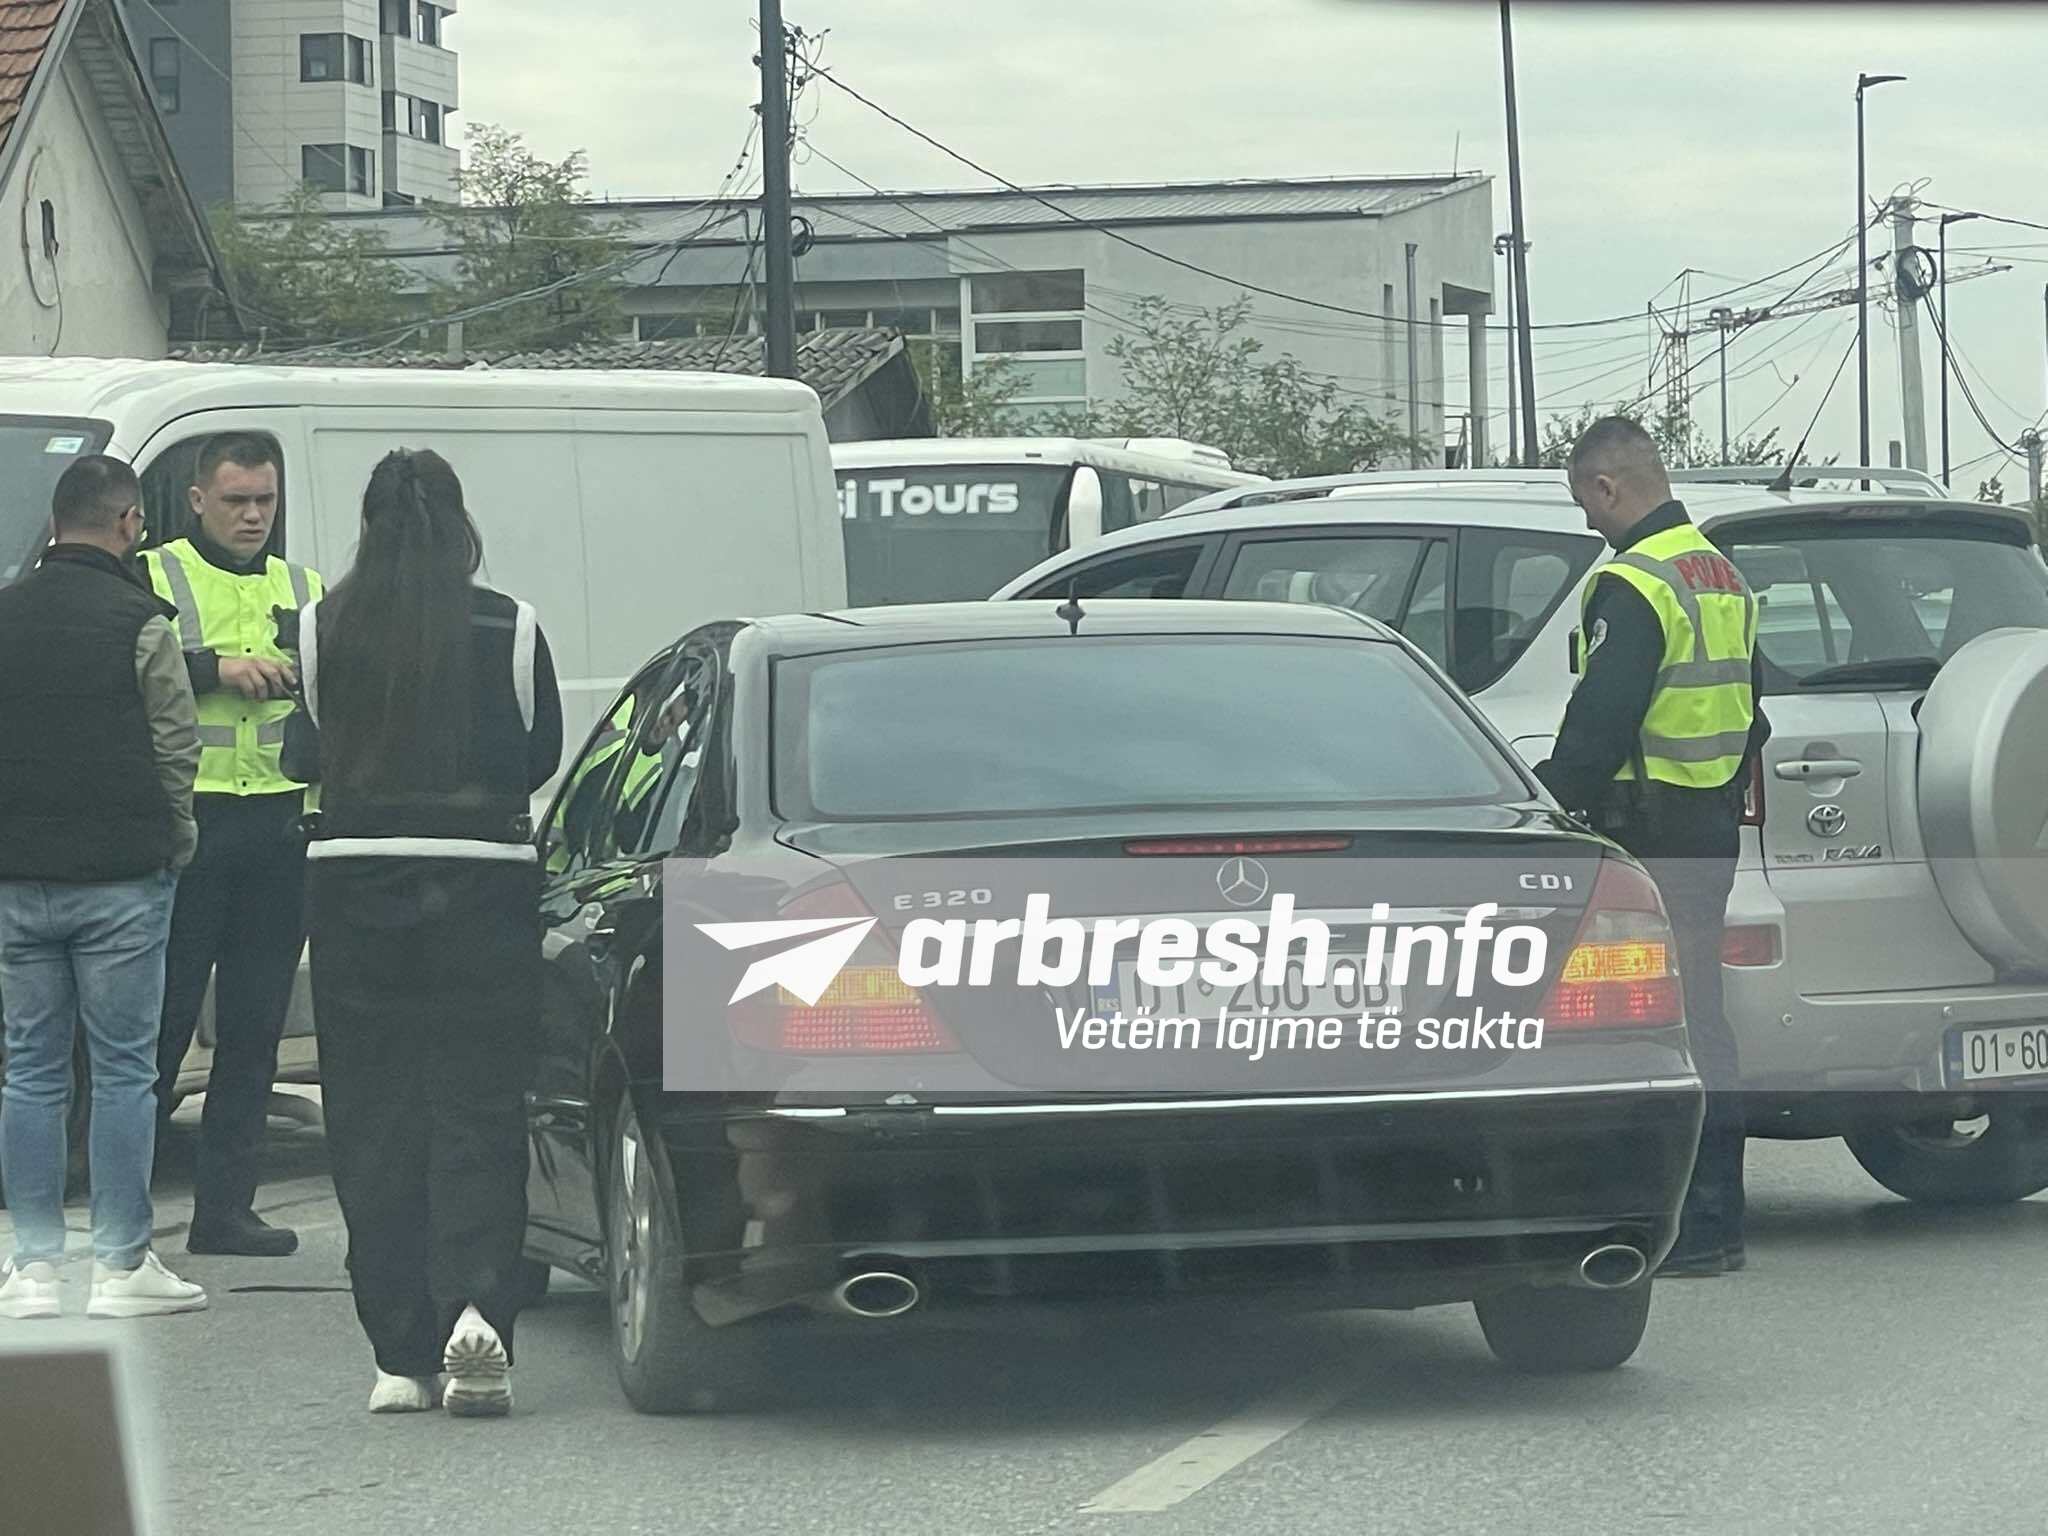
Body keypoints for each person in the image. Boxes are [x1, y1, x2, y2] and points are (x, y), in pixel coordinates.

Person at [283, 449, 562, 1416]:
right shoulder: (511, 627)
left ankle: (399, 1353)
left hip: (355, 886)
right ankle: (476, 1308)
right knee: (478, 1103)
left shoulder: (320, 627)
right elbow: (536, 754)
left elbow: (307, 753)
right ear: (460, 526)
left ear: (369, 527)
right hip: (483, 887)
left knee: (373, 1114)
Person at [1535, 417, 1769, 1279]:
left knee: (1649, 1028)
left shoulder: (1633, 581)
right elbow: (1753, 714)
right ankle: (1718, 1221)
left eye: (1585, 504)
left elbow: (1602, 720)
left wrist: (1546, 801)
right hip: (1707, 828)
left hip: (1645, 833)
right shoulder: (1722, 574)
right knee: (1701, 1019)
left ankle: (1687, 1227)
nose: (1588, 522)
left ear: (1607, 486)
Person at [0, 456, 208, 1320]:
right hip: (122, 878)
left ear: (55, 523)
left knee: (29, 1070)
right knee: (124, 1071)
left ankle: (33, 1269)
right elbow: (175, 746)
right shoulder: (142, 622)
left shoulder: (4, 613)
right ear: (129, 524)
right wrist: (177, 842)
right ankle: (123, 1266)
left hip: (15, 880)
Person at [142, 434, 323, 1258]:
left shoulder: (306, 587)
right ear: (197, 500)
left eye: (265, 501)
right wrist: (213, 667)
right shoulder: (154, 575)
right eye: (236, 500)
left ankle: (225, 1210)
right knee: (159, 1027)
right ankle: (125, 1219)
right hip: (191, 824)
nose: (253, 516)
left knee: (254, 1033)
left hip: (280, 825)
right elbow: (123, 669)